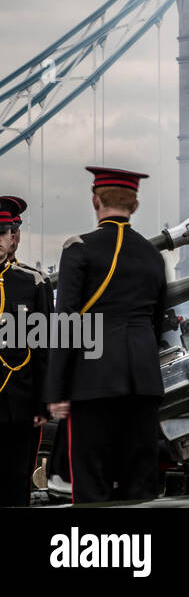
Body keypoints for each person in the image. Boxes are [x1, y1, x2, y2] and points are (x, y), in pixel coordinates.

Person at [44, 168, 167, 503]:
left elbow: (66, 322)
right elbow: (156, 325)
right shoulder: (153, 256)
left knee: (92, 487)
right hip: (143, 384)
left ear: (95, 200)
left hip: (93, 383)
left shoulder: (79, 249)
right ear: (135, 205)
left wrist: (56, 390)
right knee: (140, 489)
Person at [0, 195, 50, 506]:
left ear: (13, 236)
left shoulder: (33, 283)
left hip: (15, 402)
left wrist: (43, 404)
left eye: (0, 234)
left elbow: (45, 349)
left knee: (14, 486)